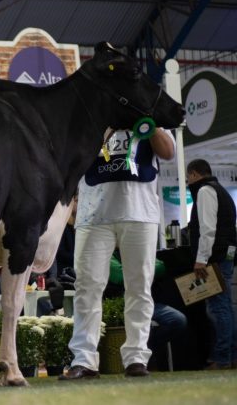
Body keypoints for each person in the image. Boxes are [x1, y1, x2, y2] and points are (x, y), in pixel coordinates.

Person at [59, 126, 175, 380]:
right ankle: (84, 360)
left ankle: (136, 358)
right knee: (86, 287)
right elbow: (72, 157)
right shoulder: (93, 116)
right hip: (92, 214)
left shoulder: (145, 114)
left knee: (140, 287)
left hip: (140, 213)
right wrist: (106, 128)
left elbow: (168, 152)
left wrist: (149, 124)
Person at [186, 158, 237, 370]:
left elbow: (207, 228)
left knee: (218, 309)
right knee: (225, 307)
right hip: (225, 254)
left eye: (188, 177)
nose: (188, 182)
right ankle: (230, 357)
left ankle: (222, 358)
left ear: (196, 174)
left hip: (214, 257)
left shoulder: (205, 191)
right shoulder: (221, 191)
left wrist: (201, 259)